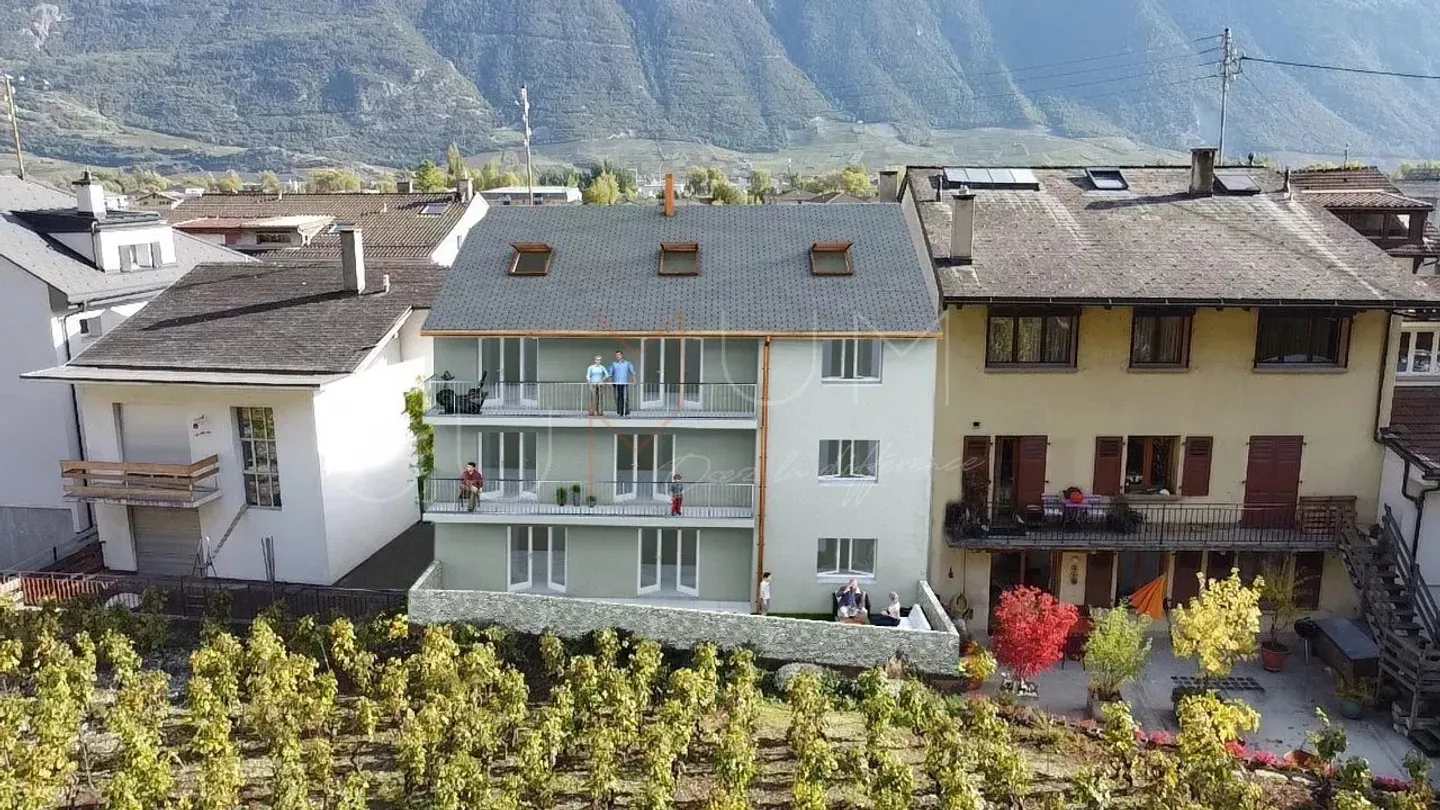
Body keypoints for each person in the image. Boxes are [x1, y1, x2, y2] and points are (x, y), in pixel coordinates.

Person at [610, 350, 636, 417]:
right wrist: (610, 383)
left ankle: (625, 411)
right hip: (616, 383)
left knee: (625, 397)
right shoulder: (613, 364)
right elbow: (610, 374)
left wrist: (634, 381)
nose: (617, 356)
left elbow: (632, 372)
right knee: (617, 397)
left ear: (621, 355)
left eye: (619, 355)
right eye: (616, 355)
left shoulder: (627, 363)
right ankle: (620, 411)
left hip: (624, 383)